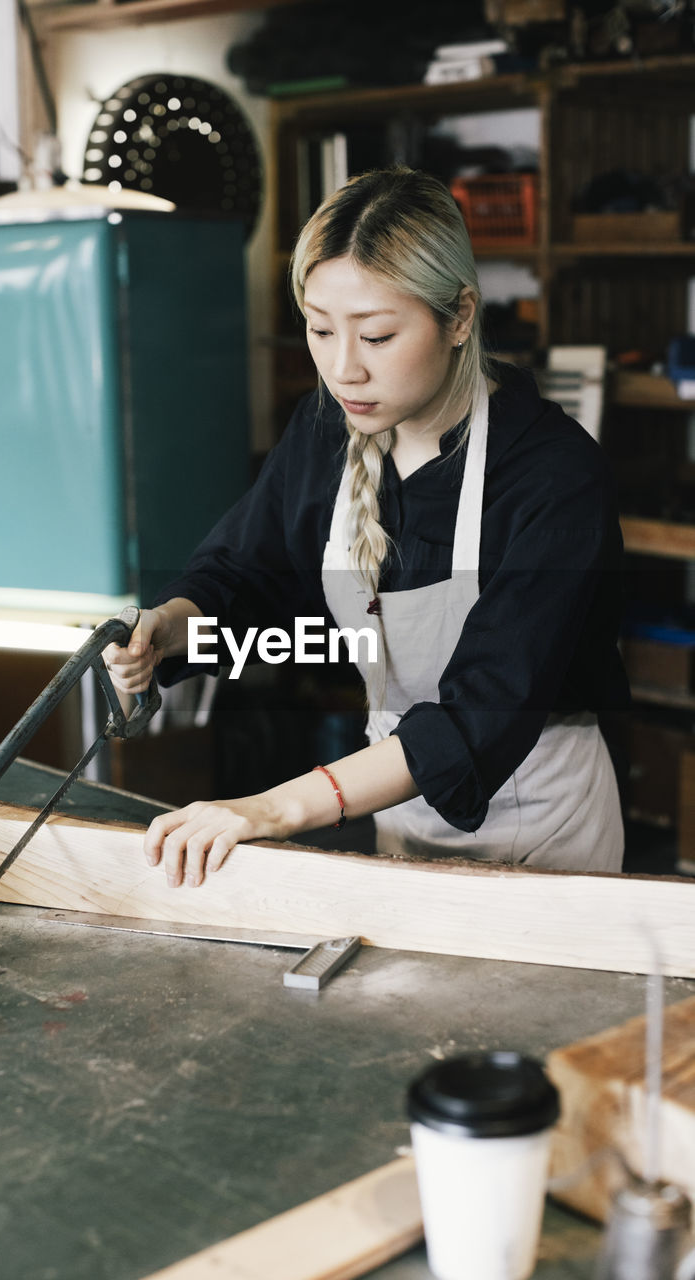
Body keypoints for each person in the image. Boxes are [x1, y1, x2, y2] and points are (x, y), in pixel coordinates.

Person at [106, 167, 629, 888]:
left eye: (377, 336)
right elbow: (248, 572)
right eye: (320, 330)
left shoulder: (553, 477)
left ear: (459, 317)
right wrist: (173, 624)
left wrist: (270, 810)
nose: (342, 369)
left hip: (541, 831)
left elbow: (483, 709)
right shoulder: (326, 430)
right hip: (397, 817)